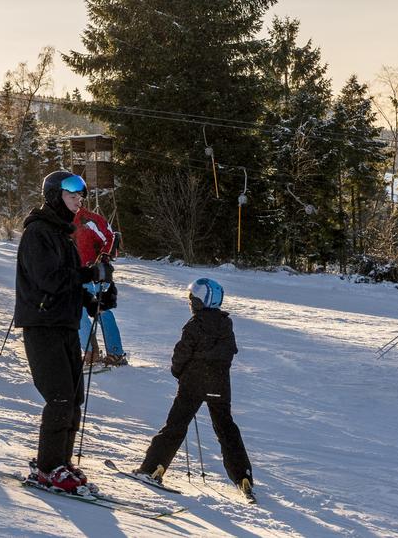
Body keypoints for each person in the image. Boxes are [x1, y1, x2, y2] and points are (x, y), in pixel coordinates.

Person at [15, 171, 111, 494]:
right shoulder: (38, 233)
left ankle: (61, 461)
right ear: (56, 196)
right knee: (58, 396)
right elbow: (50, 279)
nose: (78, 201)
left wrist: (93, 300)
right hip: (43, 325)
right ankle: (47, 468)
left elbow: (70, 281)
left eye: (81, 196)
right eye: (72, 196)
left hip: (65, 323)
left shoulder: (63, 234)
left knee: (73, 398)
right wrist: (88, 274)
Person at [136, 278, 254, 502]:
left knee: (176, 425)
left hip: (193, 383)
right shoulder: (226, 325)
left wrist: (178, 371)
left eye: (192, 300)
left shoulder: (194, 325)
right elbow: (229, 352)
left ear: (199, 302)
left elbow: (181, 354)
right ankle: (243, 475)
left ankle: (152, 468)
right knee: (226, 428)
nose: (190, 303)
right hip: (219, 385)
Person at [74, 205, 126, 367]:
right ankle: (90, 353)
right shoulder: (61, 222)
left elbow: (111, 237)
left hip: (97, 273)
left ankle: (115, 352)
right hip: (76, 275)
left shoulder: (90, 220)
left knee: (102, 311)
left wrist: (104, 258)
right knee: (78, 312)